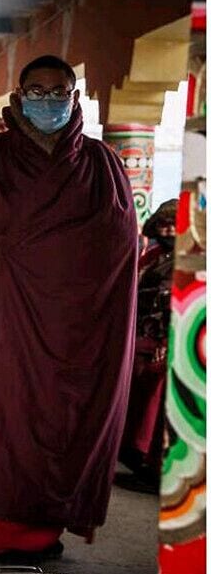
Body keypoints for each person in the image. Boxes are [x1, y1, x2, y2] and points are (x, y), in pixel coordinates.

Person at [0, 55, 137, 565]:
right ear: (19, 96)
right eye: (37, 91)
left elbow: (118, 246)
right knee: (3, 421)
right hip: (2, 321)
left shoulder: (101, 164)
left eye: (58, 91)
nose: (48, 101)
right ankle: (10, 534)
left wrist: (62, 275)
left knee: (66, 423)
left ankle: (48, 529)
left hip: (75, 328)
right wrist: (19, 268)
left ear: (75, 98)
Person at [117, 199, 177, 493]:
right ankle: (129, 453)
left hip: (166, 340)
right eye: (164, 224)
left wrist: (168, 342)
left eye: (173, 224)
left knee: (157, 385)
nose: (168, 229)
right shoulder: (152, 255)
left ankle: (152, 467)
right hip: (139, 334)